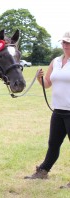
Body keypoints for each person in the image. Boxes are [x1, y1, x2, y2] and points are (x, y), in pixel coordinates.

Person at [24, 31, 70, 188]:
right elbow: (47, 83)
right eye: (63, 42)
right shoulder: (56, 61)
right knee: (53, 143)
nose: (65, 45)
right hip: (58, 111)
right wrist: (39, 78)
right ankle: (43, 171)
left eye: (68, 42)